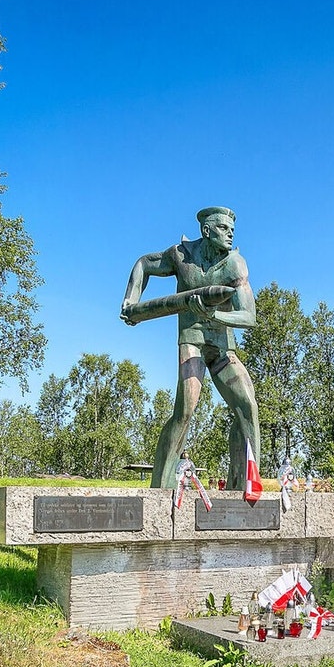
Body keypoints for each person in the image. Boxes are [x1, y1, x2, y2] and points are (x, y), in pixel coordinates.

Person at [121, 207, 261, 489]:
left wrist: (215, 316)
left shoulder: (235, 264)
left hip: (222, 348)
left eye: (232, 229)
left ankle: (246, 485)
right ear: (206, 231)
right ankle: (161, 487)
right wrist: (131, 299)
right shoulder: (181, 256)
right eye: (223, 228)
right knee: (186, 409)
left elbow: (249, 317)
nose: (230, 233)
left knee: (247, 406)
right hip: (192, 342)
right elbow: (144, 264)